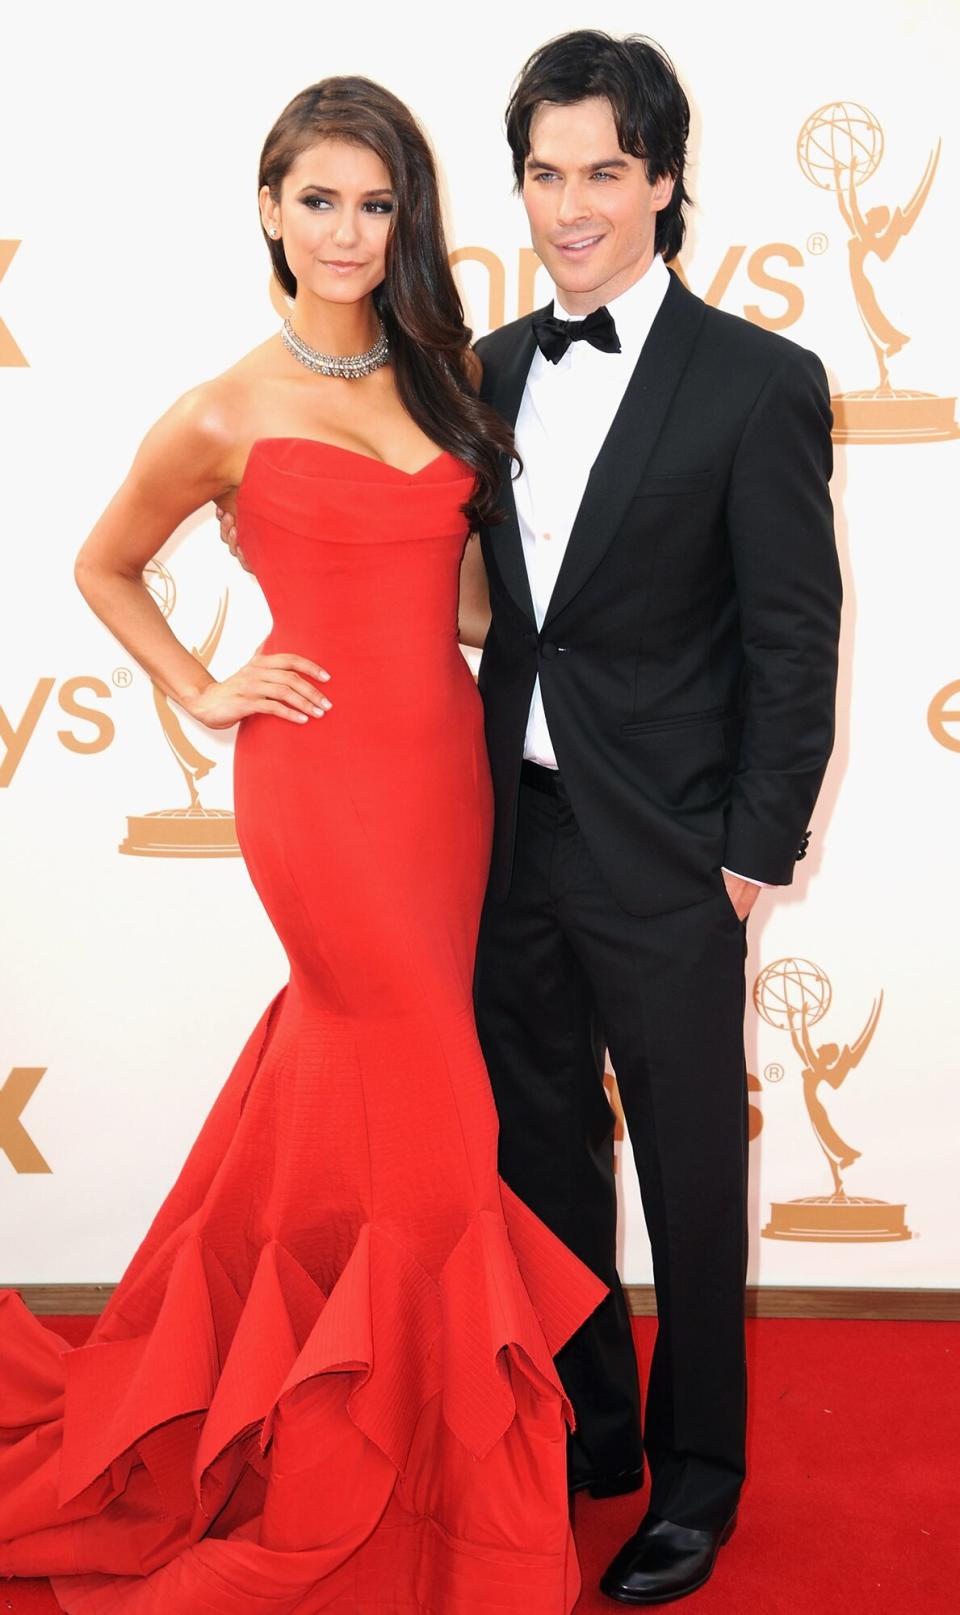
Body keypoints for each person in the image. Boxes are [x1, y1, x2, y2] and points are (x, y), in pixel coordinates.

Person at [0, 77, 606, 1615]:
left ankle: (317, 1395)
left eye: (376, 201)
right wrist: (202, 684)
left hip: (443, 782)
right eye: (318, 198)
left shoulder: (443, 377)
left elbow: (468, 603)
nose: (347, 229)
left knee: (371, 1093)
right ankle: (416, 1453)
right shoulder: (220, 409)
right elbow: (102, 562)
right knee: (434, 1091)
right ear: (269, 207)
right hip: (317, 789)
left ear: (408, 218)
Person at [470, 30, 841, 1606]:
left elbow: (794, 637)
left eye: (604, 172)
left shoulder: (759, 380)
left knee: (691, 1168)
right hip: (510, 836)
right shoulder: (480, 369)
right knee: (539, 1150)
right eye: (547, 173)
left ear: (664, 180)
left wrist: (754, 854)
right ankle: (590, 1431)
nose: (571, 206)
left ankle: (699, 1476)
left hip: (678, 852)